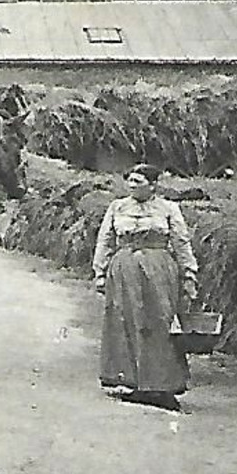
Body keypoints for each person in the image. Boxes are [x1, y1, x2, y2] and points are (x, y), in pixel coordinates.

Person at [91, 163, 200, 411]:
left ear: (153, 185)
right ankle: (131, 382)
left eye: (138, 181)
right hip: (124, 270)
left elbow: (181, 242)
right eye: (129, 180)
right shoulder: (117, 207)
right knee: (126, 322)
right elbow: (105, 239)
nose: (132, 185)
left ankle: (161, 385)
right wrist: (100, 272)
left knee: (160, 323)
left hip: (159, 271)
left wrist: (189, 274)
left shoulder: (169, 209)